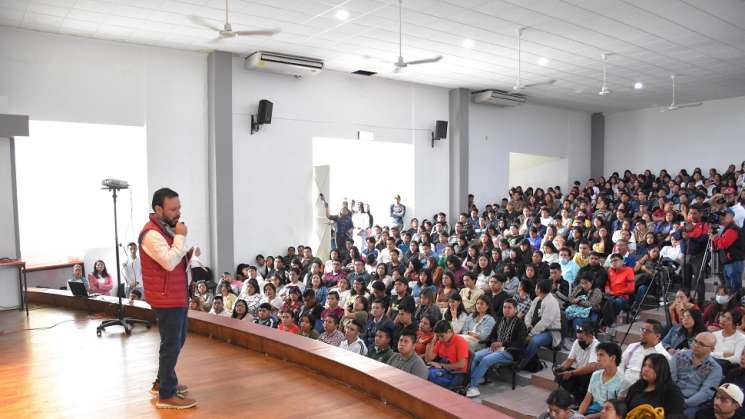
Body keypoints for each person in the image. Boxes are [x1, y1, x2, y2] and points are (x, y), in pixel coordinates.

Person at [140, 188, 198, 409]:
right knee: (171, 344)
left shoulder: (166, 229)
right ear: (158, 209)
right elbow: (169, 262)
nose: (178, 212)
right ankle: (166, 395)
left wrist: (187, 252)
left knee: (176, 341)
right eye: (173, 209)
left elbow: (174, 256)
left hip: (176, 294)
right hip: (166, 297)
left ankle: (162, 382)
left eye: (179, 207)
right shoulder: (152, 234)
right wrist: (181, 237)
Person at [466, 298, 528, 398]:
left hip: (510, 352)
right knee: (475, 356)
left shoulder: (520, 324)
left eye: (509, 307)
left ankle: (472, 386)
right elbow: (493, 335)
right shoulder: (500, 320)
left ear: (515, 310)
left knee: (486, 360)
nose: (506, 310)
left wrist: (502, 343)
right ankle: (467, 381)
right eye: (504, 307)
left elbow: (520, 343)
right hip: (495, 348)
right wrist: (494, 342)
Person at [669, 332, 722, 417]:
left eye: (701, 344)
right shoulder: (679, 355)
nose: (696, 345)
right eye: (695, 341)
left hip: (692, 404)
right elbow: (670, 379)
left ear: (712, 349)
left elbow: (705, 393)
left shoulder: (715, 369)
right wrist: (673, 397)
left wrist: (684, 403)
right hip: (671, 395)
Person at [619, 319, 671, 393]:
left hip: (643, 391)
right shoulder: (633, 346)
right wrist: (621, 379)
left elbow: (662, 380)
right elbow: (621, 364)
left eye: (647, 331)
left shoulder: (663, 355)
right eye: (642, 329)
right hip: (623, 384)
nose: (643, 333)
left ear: (657, 336)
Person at [520, 279, 562, 370]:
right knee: (518, 336)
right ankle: (518, 359)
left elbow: (545, 322)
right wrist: (528, 325)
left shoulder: (551, 302)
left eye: (536, 287)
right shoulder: (536, 299)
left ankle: (522, 363)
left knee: (534, 341)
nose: (535, 289)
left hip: (550, 332)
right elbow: (528, 315)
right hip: (533, 329)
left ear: (539, 289)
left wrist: (531, 334)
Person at [556, 324, 600, 404]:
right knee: (562, 374)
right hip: (579, 371)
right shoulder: (577, 342)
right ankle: (572, 396)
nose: (579, 341)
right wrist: (561, 368)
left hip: (590, 374)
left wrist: (572, 373)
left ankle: (581, 400)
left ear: (590, 336)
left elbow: (591, 367)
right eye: (578, 338)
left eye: (581, 338)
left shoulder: (596, 345)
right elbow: (570, 360)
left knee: (585, 377)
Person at [578, 342, 624, 417]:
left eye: (601, 355)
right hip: (592, 411)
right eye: (597, 355)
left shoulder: (622, 380)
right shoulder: (595, 375)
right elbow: (587, 400)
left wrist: (591, 417)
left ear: (612, 358)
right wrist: (578, 416)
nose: (598, 359)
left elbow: (616, 410)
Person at [425, 320, 470, 387]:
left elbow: (461, 364)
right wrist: (433, 342)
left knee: (427, 377)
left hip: (456, 374)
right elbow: (429, 359)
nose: (440, 339)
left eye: (442, 336)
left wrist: (441, 365)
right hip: (444, 370)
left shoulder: (460, 342)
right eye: (437, 336)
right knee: (423, 372)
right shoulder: (440, 341)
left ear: (449, 332)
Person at [712, 209, 745, 292]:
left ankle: (736, 304)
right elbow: (717, 246)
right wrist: (715, 238)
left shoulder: (733, 229)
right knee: (729, 287)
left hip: (734, 261)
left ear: (730, 217)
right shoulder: (727, 228)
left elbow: (723, 244)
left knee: (735, 288)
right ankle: (730, 303)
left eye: (724, 216)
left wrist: (715, 238)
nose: (721, 218)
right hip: (728, 261)